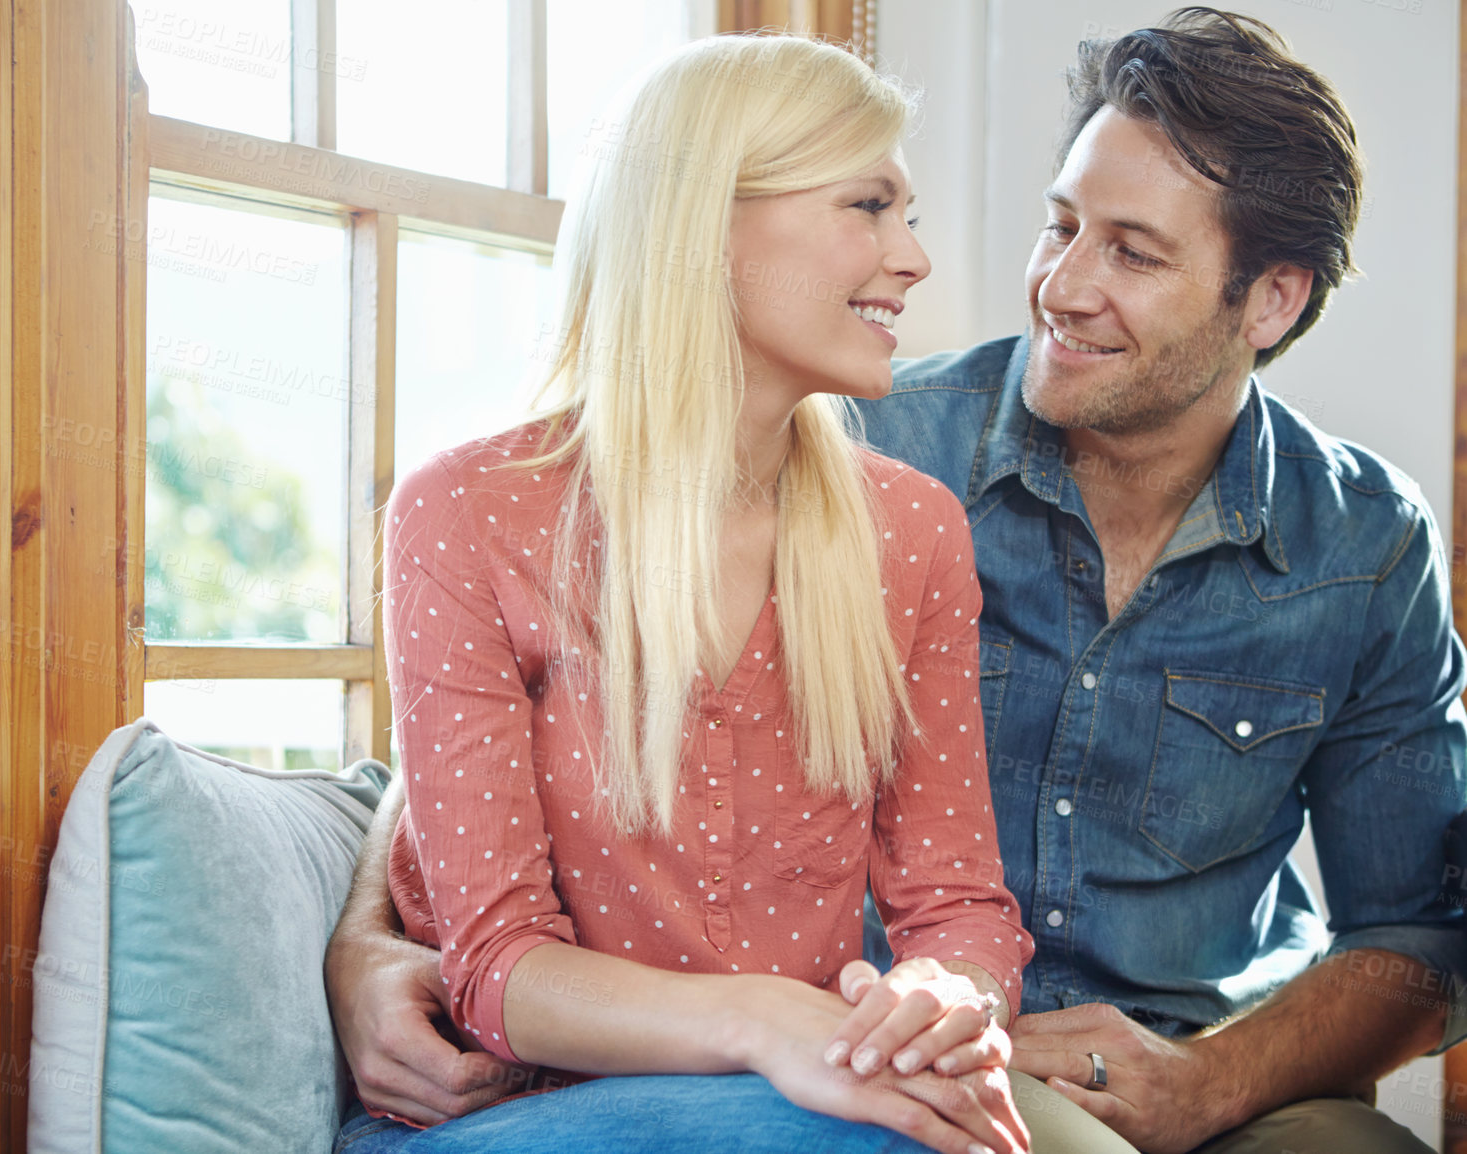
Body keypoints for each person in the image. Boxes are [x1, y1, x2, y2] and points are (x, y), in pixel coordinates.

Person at [326, 9, 1467, 1154]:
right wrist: (367, 939)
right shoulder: (868, 426)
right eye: (1059, 225)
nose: (1060, 287)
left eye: (1132, 250)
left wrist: (1204, 1080)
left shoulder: (1359, 545)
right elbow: (488, 763)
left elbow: (1423, 932)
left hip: (1144, 1050)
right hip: (834, 1056)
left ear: (1268, 299)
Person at [333, 31, 1046, 1154]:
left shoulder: (911, 530)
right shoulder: (468, 512)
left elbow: (956, 904)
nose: (912, 257)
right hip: (513, 1112)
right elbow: (496, 965)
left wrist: (945, 1003)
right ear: (707, 222)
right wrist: (770, 1021)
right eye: (868, 204)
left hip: (808, 1096)